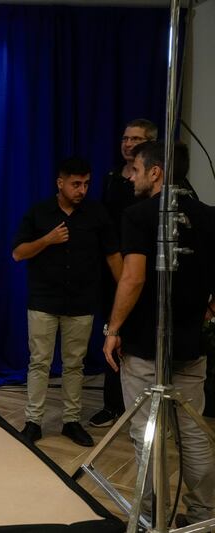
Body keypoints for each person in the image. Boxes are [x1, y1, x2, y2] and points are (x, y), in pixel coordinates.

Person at [103, 140, 214, 527]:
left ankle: (150, 515)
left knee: (146, 433)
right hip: (190, 344)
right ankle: (203, 515)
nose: (128, 176)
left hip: (147, 345)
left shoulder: (139, 215)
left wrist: (112, 329)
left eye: (134, 169)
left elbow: (132, 278)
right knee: (194, 434)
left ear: (155, 172)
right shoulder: (209, 217)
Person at [12, 157, 122, 447]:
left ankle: (71, 422)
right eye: (76, 184)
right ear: (60, 183)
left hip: (82, 303)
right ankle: (33, 422)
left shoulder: (97, 214)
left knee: (75, 365)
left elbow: (113, 256)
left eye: (86, 184)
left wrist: (125, 291)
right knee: (40, 362)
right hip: (43, 301)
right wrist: (47, 239)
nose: (81, 190)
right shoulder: (39, 213)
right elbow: (18, 253)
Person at [90, 118, 158, 429]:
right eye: (125, 138)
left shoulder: (154, 183)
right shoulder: (112, 178)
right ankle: (112, 405)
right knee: (111, 331)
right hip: (112, 269)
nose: (128, 144)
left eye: (136, 139)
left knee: (138, 338)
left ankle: (146, 409)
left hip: (145, 270)